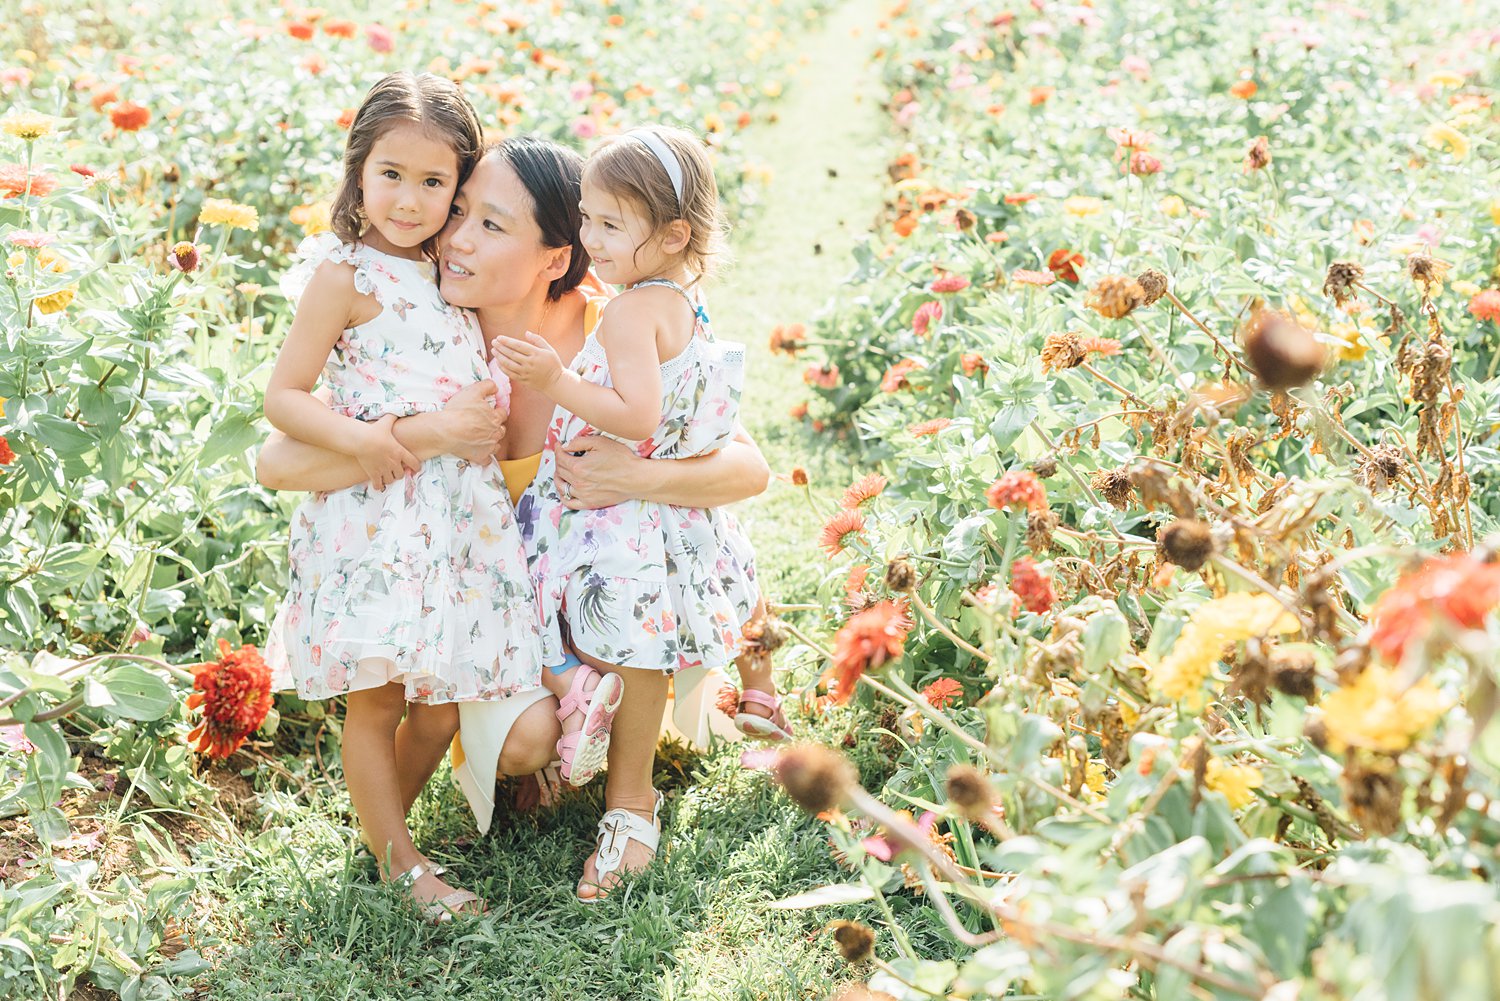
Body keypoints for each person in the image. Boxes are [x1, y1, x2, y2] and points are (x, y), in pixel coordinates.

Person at [256, 133, 773, 903]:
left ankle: (678, 722)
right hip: (483, 619)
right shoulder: (426, 328)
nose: (456, 237)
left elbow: (747, 469)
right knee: (529, 737)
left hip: (588, 595)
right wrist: (424, 435)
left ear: (557, 256)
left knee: (670, 545)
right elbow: (277, 462)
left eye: (491, 225)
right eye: (458, 210)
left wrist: (633, 473)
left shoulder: (611, 328)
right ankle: (536, 741)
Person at [259, 72, 541, 923]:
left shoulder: (450, 274)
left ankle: (385, 833)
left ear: (459, 188)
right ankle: (400, 862)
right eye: (391, 175)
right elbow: (286, 397)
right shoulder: (344, 275)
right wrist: (371, 440)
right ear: (359, 169)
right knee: (379, 695)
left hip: (456, 520)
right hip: (377, 512)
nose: (410, 200)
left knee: (441, 700)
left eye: (433, 182)